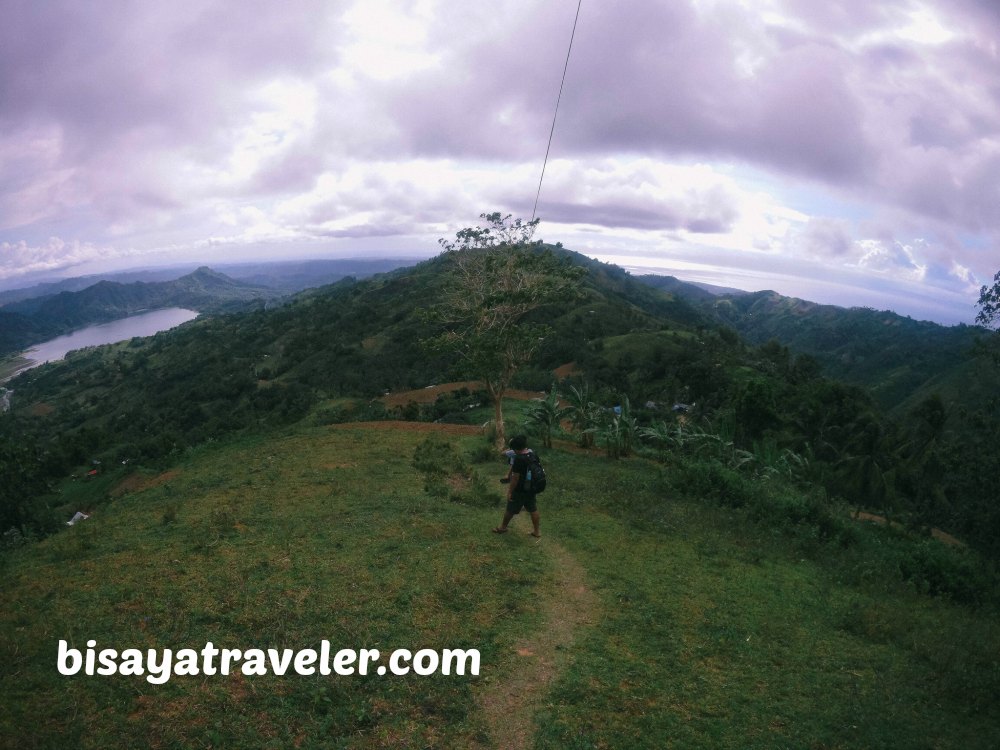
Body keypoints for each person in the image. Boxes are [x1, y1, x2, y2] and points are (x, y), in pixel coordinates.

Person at [492, 435, 540, 538]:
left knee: (510, 509)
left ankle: (503, 527)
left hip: (520, 489)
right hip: (532, 488)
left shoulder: (519, 459)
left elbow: (515, 478)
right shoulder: (533, 454)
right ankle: (537, 532)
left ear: (516, 449)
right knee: (533, 509)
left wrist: (509, 491)